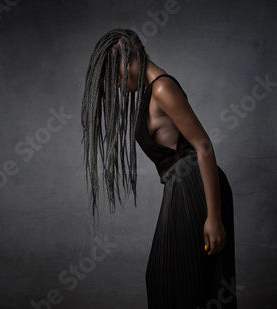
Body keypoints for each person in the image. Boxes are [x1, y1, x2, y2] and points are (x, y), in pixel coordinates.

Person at [81, 28, 237, 308]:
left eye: (114, 74)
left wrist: (214, 216)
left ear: (128, 58)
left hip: (195, 187)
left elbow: (204, 146)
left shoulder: (163, 87)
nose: (116, 84)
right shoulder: (150, 92)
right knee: (168, 279)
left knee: (184, 283)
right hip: (182, 189)